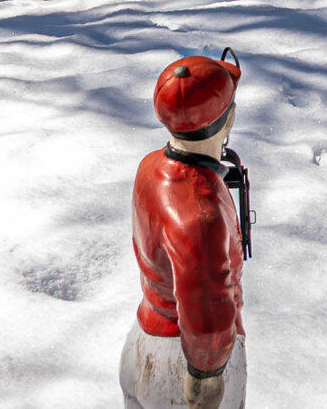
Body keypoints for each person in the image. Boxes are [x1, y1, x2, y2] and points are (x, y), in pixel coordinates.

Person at [123, 52, 253, 409]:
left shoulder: (151, 165)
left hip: (144, 341)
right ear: (229, 119)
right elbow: (208, 314)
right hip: (187, 363)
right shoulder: (201, 214)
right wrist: (206, 377)